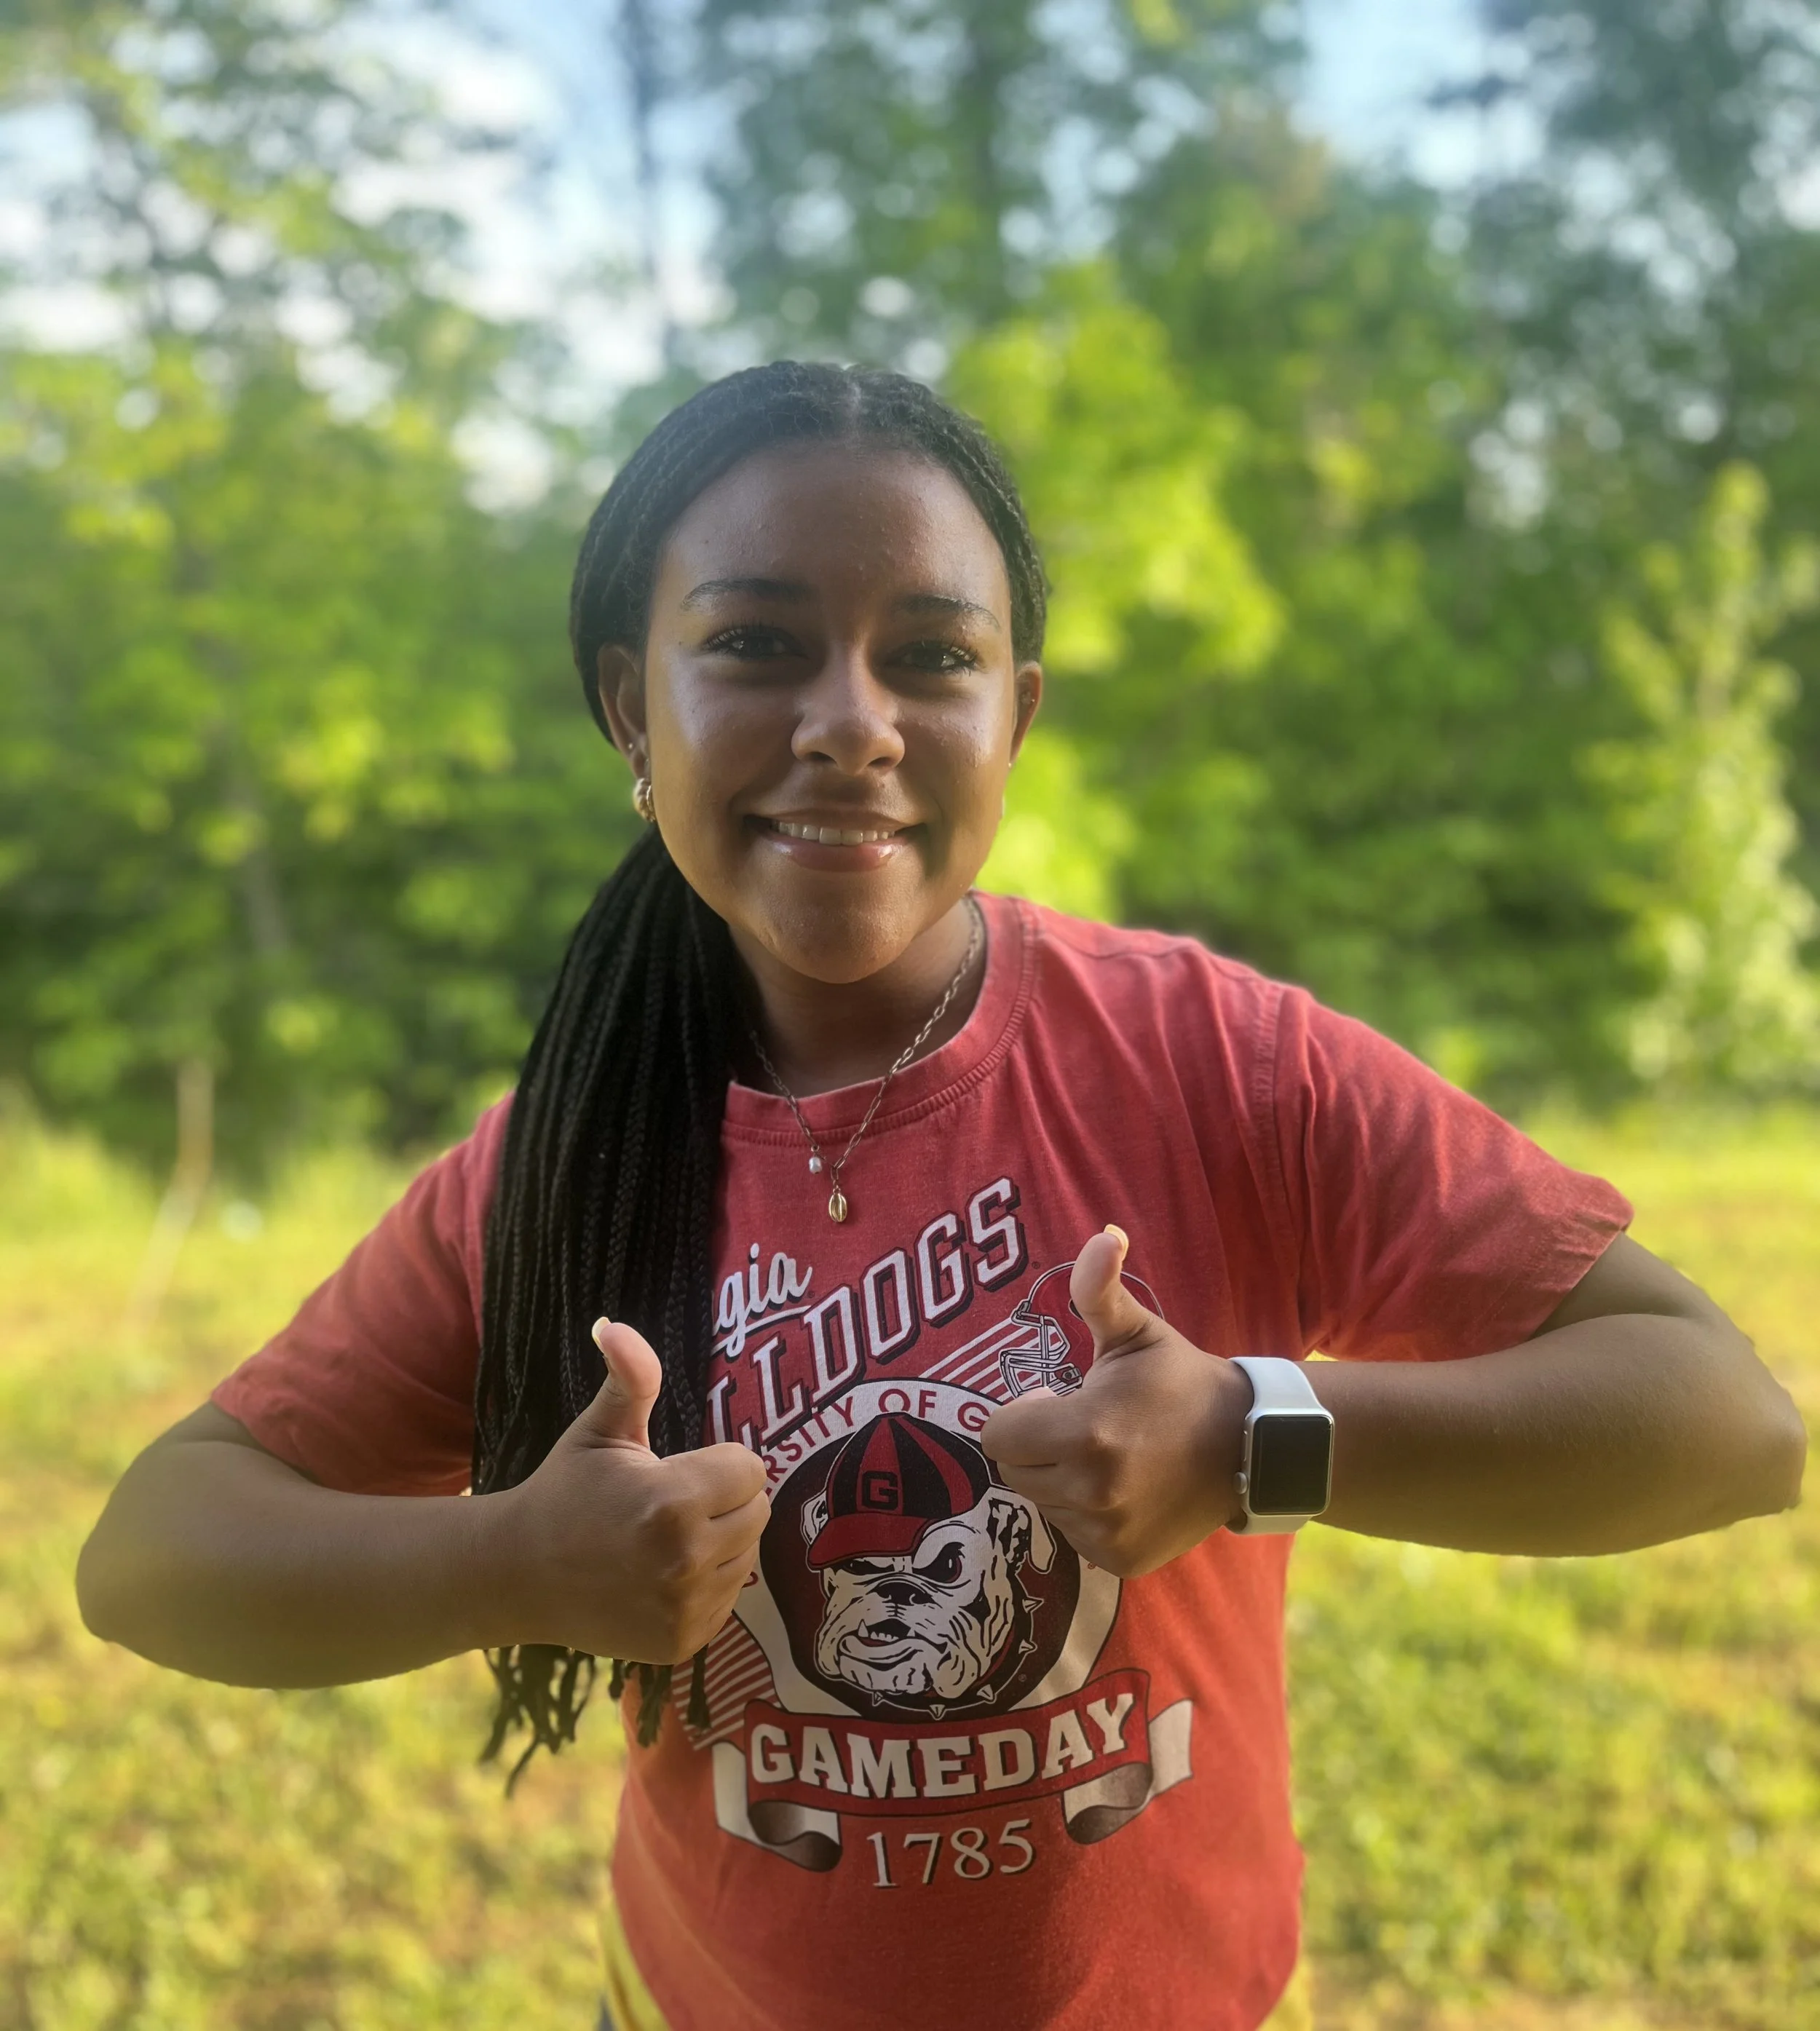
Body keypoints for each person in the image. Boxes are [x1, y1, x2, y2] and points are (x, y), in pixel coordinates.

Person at [76, 363, 1806, 2031]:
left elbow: (1723, 1421)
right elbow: (156, 1554)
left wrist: (1248, 1438)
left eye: (930, 657)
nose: (848, 722)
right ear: (628, 703)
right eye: (754, 643)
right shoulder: (568, 1155)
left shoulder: (1220, 1065)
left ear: (1016, 714)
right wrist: (508, 1560)